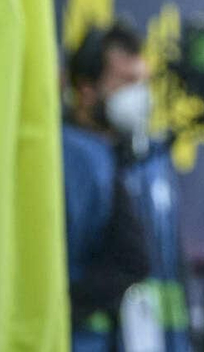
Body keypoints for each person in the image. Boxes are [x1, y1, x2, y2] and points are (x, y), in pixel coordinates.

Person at [62, 25, 154, 352]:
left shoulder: (138, 162)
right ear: (86, 90)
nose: (139, 95)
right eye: (125, 82)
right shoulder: (70, 157)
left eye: (141, 82)